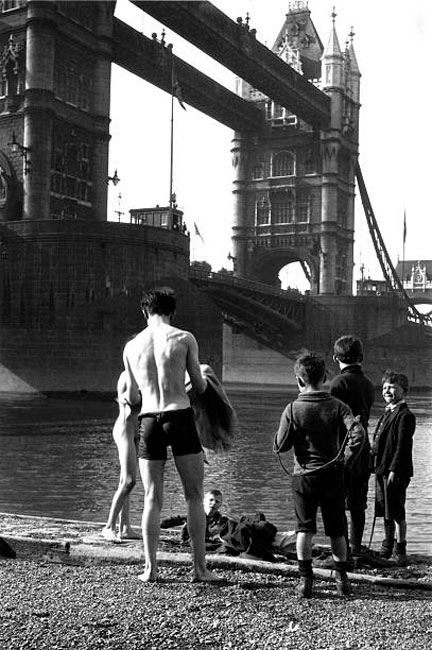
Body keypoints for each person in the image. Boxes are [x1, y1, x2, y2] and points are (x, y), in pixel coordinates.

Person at [121, 287, 221, 583]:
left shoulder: (131, 346)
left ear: (145, 312)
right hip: (179, 416)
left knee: (152, 497)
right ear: (172, 311)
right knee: (193, 496)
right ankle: (200, 570)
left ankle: (150, 569)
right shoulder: (184, 338)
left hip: (149, 420)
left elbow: (132, 396)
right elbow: (201, 388)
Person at [274, 351, 365, 598]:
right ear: (325, 377)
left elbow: (281, 445)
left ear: (299, 381)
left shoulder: (292, 408)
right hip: (333, 474)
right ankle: (342, 580)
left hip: (303, 476)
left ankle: (306, 582)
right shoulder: (339, 406)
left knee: (305, 528)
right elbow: (357, 433)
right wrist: (346, 457)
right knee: (336, 529)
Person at [329, 335, 375, 557]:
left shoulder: (339, 383)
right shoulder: (368, 384)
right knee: (358, 503)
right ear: (361, 358)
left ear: (335, 357)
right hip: (363, 450)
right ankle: (356, 547)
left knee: (338, 503)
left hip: (343, 450)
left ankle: (343, 550)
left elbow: (332, 419)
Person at [371, 370, 416, 566]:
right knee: (384, 510)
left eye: (392, 387)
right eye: (384, 387)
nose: (387, 390)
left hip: (395, 472)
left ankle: (401, 549)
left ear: (403, 391)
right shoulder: (387, 413)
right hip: (382, 470)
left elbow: (402, 447)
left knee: (397, 512)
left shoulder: (405, 415)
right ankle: (387, 547)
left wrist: (394, 470)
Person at [101, 372, 141, 543]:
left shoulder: (147, 372)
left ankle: (125, 527)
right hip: (125, 429)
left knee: (125, 480)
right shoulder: (128, 376)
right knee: (129, 481)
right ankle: (109, 527)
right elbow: (129, 400)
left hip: (137, 431)